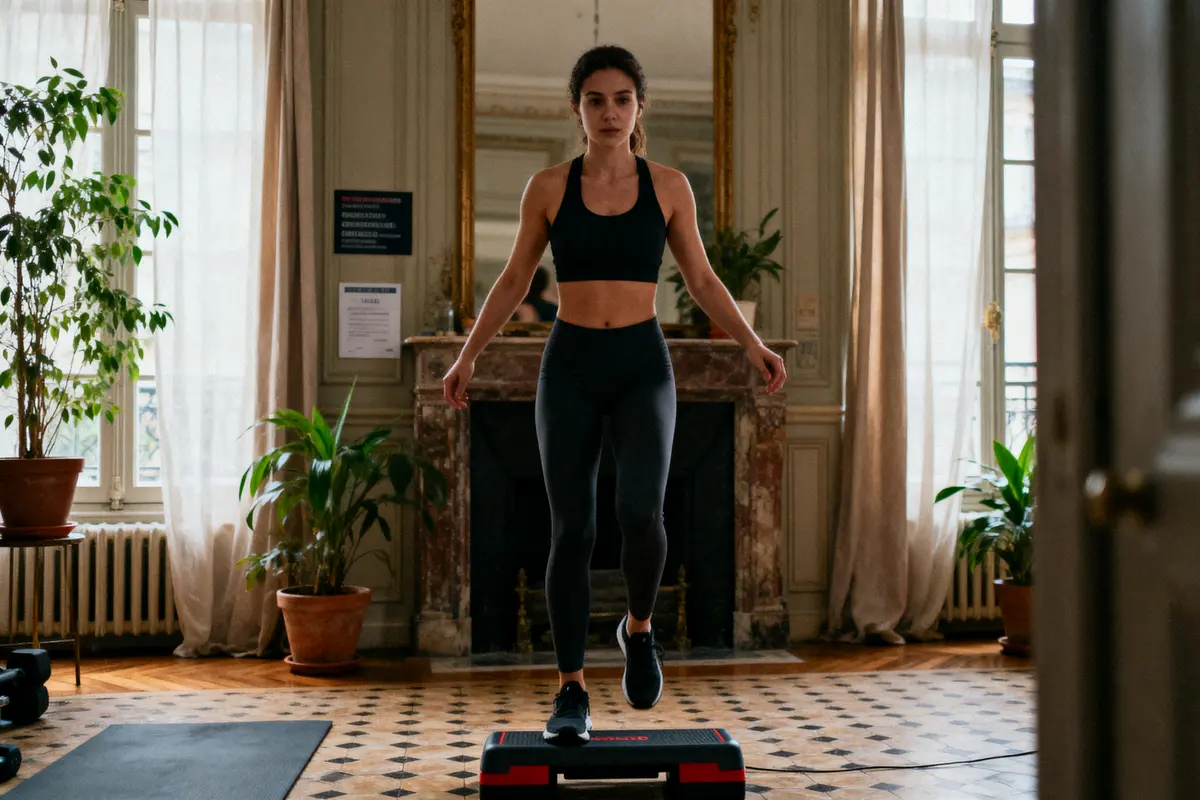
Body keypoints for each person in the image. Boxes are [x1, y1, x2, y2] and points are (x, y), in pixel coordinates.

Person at [441, 45, 787, 744]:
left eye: (621, 99)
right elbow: (513, 280)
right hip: (569, 365)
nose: (609, 112)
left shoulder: (670, 187)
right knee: (572, 528)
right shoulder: (548, 187)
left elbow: (703, 279)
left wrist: (752, 344)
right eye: (595, 100)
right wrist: (467, 355)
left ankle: (639, 628)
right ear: (578, 109)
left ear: (639, 107)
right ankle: (571, 689)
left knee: (640, 512)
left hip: (641, 366)